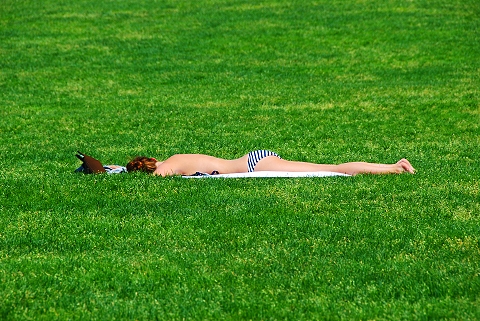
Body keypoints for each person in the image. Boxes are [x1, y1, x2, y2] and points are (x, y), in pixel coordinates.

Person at [126, 149, 415, 177]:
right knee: (329, 167)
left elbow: (159, 177)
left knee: (333, 170)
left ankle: (393, 167)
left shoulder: (168, 166)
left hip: (256, 166)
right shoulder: (174, 157)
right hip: (254, 159)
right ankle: (391, 167)